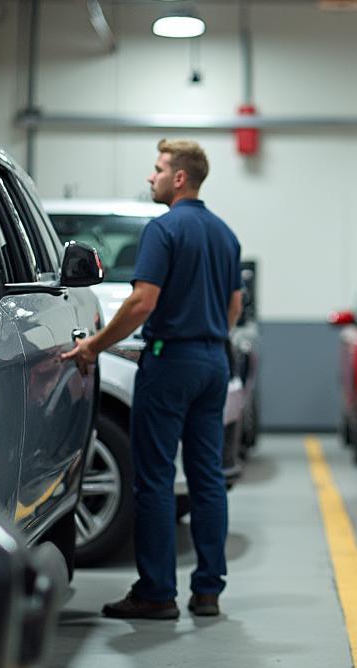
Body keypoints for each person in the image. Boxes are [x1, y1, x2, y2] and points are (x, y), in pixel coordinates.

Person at [62, 139, 243, 621]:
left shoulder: (163, 230)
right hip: (213, 362)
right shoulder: (225, 234)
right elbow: (235, 306)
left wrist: (93, 346)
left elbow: (142, 302)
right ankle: (208, 591)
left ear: (179, 178)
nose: (151, 177)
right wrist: (209, 338)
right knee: (207, 479)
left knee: (157, 478)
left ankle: (157, 592)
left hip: (170, 362)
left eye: (158, 169)